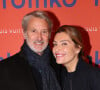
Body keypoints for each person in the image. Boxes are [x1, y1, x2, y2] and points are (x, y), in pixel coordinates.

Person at [0, 10, 61, 90]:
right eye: (34, 31)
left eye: (44, 32)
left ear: (49, 35)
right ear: (25, 34)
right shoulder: (4, 69)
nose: (39, 38)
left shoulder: (59, 66)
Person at [52, 25, 100, 90]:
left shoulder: (94, 74)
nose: (57, 48)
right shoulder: (58, 76)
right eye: (55, 44)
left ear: (78, 48)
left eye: (64, 44)